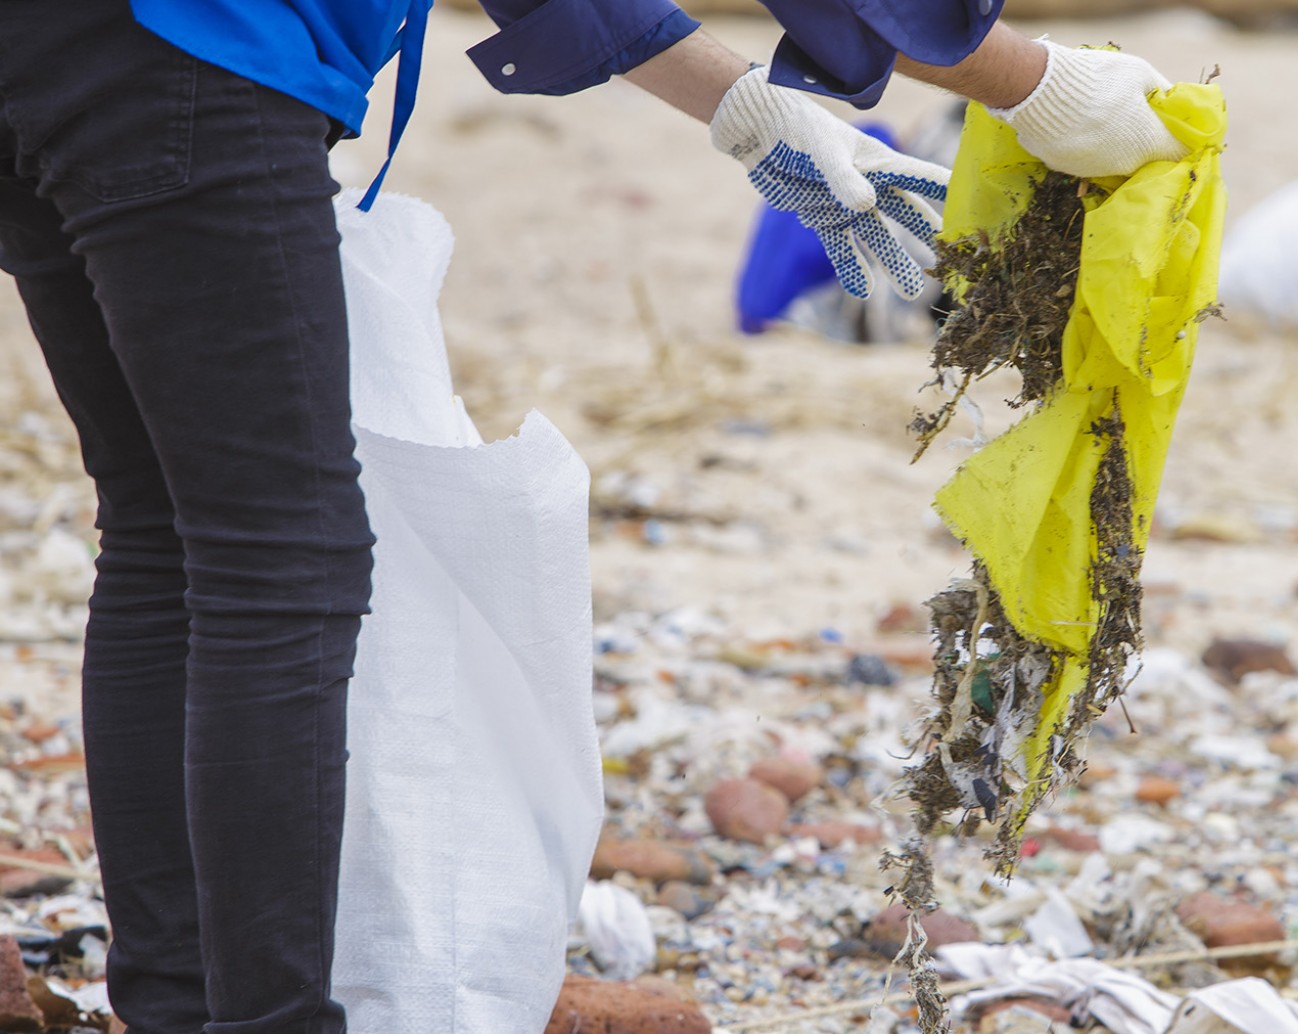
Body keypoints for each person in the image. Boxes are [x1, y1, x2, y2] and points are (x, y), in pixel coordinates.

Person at [0, 1, 1188, 1031]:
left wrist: (742, 107)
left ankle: (173, 1006)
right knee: (279, 557)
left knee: (167, 529)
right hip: (189, 47)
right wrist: (1031, 80)